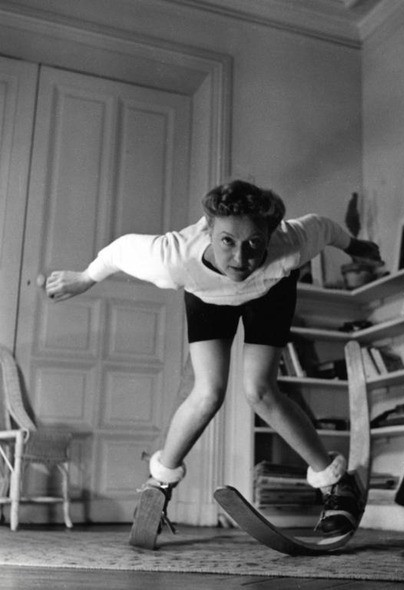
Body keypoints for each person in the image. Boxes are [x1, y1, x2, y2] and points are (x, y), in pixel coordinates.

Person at [45, 180, 383, 546]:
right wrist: (85, 277)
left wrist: (357, 247)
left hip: (271, 292)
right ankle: (158, 484)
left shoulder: (291, 242)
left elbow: (325, 227)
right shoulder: (172, 257)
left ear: (270, 235)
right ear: (208, 229)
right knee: (207, 394)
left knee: (260, 392)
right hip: (206, 294)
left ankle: (337, 484)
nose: (239, 258)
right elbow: (119, 251)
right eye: (227, 241)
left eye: (254, 243)